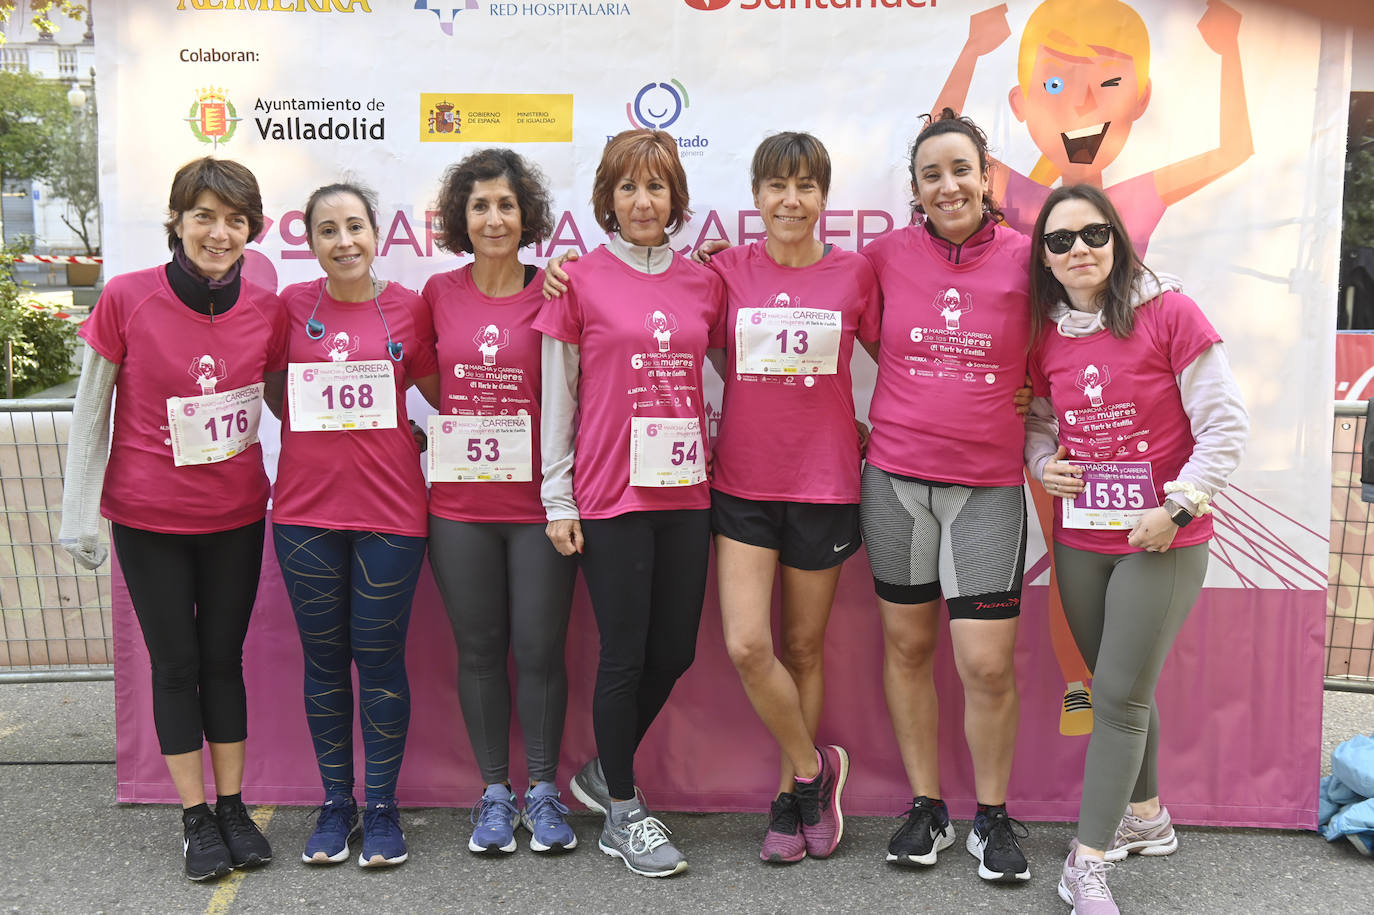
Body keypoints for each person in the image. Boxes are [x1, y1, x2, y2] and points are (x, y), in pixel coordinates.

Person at [1023, 184, 1246, 914]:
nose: (1078, 248)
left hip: (1162, 541)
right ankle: (1147, 816)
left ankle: (1085, 866)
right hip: (1082, 537)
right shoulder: (1049, 333)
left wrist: (1178, 506)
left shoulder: (1169, 312)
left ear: (1116, 239)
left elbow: (1225, 427)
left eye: (1092, 232)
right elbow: (1042, 424)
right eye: (1060, 240)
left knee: (1115, 698)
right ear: (1046, 259)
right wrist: (1043, 460)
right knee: (1121, 685)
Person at [59, 156, 280, 881]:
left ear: (252, 229)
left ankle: (234, 805)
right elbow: (91, 411)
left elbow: (289, 401)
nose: (220, 233)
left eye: (235, 220)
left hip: (237, 515)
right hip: (150, 519)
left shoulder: (266, 305)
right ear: (177, 221)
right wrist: (77, 518)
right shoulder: (127, 297)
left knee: (223, 659)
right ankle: (195, 818)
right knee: (176, 663)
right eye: (205, 216)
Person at [535, 128, 725, 878]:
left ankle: (599, 774)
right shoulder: (577, 279)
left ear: (675, 197)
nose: (642, 202)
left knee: (673, 647)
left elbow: (756, 362)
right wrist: (558, 494)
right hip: (609, 493)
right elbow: (562, 394)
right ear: (607, 200)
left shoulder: (704, 282)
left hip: (685, 490)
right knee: (623, 652)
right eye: (627, 188)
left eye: (655, 187)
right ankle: (623, 809)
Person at [859, 109, 1033, 882]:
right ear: (916, 188)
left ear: (985, 175)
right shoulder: (882, 256)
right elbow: (819, 301)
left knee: (988, 665)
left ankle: (990, 815)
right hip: (895, 480)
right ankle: (926, 805)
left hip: (987, 487)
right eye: (932, 174)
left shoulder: (1034, 259)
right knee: (906, 646)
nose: (948, 184)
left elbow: (1085, 324)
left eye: (960, 169)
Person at [701, 132, 877, 863]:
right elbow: (705, 343)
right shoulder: (725, 272)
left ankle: (787, 799)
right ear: (756, 195)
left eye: (806, 186)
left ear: (824, 197)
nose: (791, 200)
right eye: (777, 186)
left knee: (803, 646)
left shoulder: (855, 274)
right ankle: (814, 768)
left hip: (825, 481)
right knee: (748, 643)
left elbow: (902, 359)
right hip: (742, 481)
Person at [266, 181, 439, 868]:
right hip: (305, 513)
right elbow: (279, 397)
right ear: (309, 242)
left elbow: (439, 394)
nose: (344, 241)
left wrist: (415, 435)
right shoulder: (288, 308)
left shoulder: (408, 308)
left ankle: (382, 806)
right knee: (324, 661)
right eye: (328, 230)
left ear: (377, 235)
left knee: (380, 656)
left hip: (393, 514)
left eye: (356, 227)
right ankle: (337, 803)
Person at [422, 149, 579, 856]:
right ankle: (495, 793)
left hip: (540, 506)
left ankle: (543, 791)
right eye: (480, 204)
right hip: (459, 508)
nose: (493, 217)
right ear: (462, 215)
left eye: (506, 205)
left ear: (527, 217)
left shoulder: (555, 290)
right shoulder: (436, 292)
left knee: (540, 649)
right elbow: (431, 383)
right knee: (480, 649)